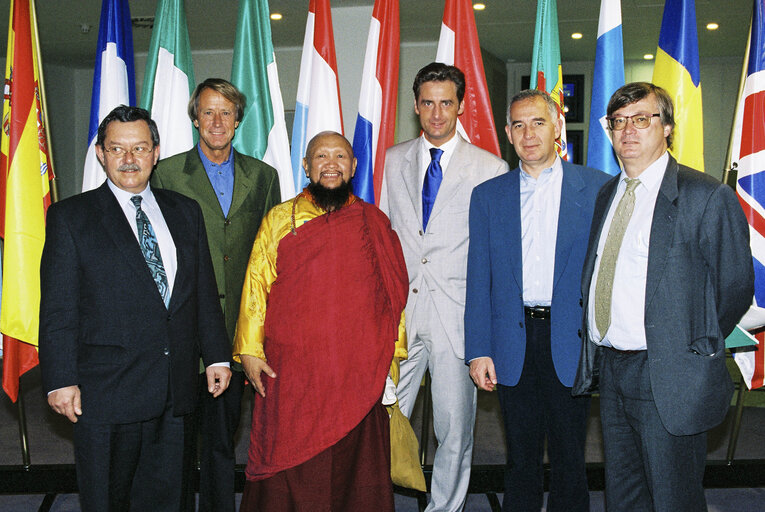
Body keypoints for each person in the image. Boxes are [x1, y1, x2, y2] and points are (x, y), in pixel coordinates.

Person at [39, 105, 232, 512]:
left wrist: (216, 355)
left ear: (156, 152)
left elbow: (201, 292)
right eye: (118, 149)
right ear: (100, 153)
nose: (129, 159)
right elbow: (58, 309)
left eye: (140, 148)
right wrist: (59, 379)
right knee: (110, 500)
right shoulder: (70, 217)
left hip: (175, 389)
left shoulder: (185, 211)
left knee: (169, 498)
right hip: (106, 392)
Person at [572, 82, 754, 511]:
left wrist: (693, 344)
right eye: (618, 121)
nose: (628, 130)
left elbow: (735, 287)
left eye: (642, 119)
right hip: (613, 369)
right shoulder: (608, 193)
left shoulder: (705, 196)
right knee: (624, 493)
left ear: (667, 127)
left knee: (674, 498)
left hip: (669, 373)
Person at [233, 131, 408, 511]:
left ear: (354, 165)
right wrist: (249, 350)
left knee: (354, 471)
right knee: (290, 459)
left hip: (357, 372)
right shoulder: (280, 219)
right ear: (306, 166)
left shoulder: (373, 221)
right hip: (293, 373)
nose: (331, 164)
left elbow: (394, 297)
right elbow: (255, 290)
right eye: (321, 156)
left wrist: (390, 360)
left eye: (340, 156)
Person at [465, 89, 609, 512]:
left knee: (570, 457)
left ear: (557, 127)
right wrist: (478, 349)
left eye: (538, 123)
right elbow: (479, 279)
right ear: (508, 134)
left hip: (572, 339)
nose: (529, 134)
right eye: (519, 125)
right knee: (521, 458)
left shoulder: (598, 188)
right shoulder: (488, 196)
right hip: (513, 340)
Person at [379, 62, 508, 511]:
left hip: (458, 317)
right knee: (384, 420)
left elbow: (496, 254)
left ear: (460, 106)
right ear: (416, 106)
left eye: (446, 103)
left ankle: (445, 507)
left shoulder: (490, 167)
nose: (437, 113)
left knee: (454, 429)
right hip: (401, 316)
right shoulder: (394, 160)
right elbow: (383, 237)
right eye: (428, 103)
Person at [151, 78, 280, 512]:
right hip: (183, 329)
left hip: (235, 329)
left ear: (239, 120)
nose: (217, 121)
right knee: (178, 445)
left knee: (223, 443)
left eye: (226, 112)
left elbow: (271, 253)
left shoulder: (264, 177)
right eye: (208, 112)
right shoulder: (166, 172)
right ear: (194, 119)